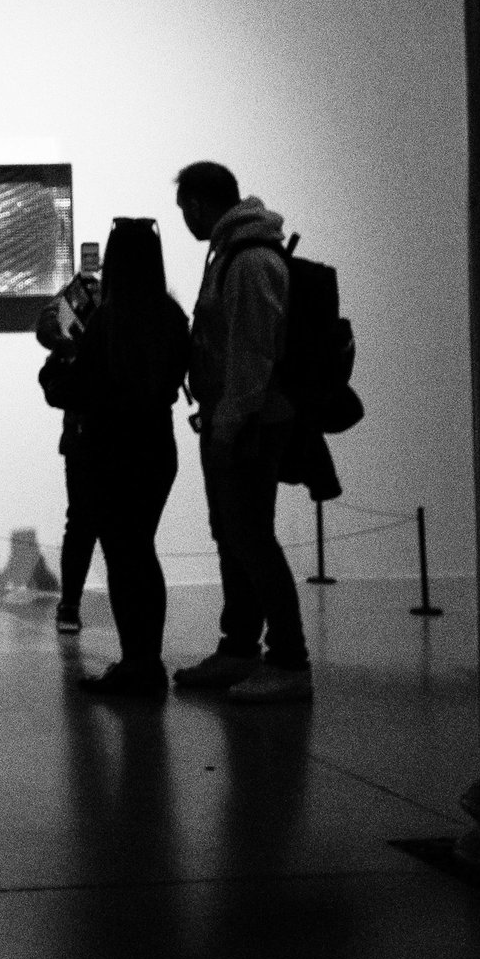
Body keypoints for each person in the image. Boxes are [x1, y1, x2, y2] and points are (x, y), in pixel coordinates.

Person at [171, 163, 314, 703]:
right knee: (234, 536)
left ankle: (289, 660)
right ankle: (238, 648)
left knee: (252, 539)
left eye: (185, 209)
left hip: (249, 423)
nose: (185, 221)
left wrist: (229, 424)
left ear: (198, 204)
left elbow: (253, 353)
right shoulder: (232, 253)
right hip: (233, 419)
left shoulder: (249, 260)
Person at [60, 219, 191, 697]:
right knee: (142, 553)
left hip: (113, 449)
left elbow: (80, 387)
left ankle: (138, 663)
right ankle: (145, 660)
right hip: (157, 446)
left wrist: (56, 370)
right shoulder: (171, 315)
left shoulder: (109, 320)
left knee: (123, 556)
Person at [36, 306, 98, 635]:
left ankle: (71, 604)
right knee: (82, 526)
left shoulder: (108, 314)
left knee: (88, 527)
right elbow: (55, 386)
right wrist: (64, 350)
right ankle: (70, 603)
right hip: (84, 440)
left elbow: (57, 388)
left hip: (98, 439)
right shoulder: (84, 303)